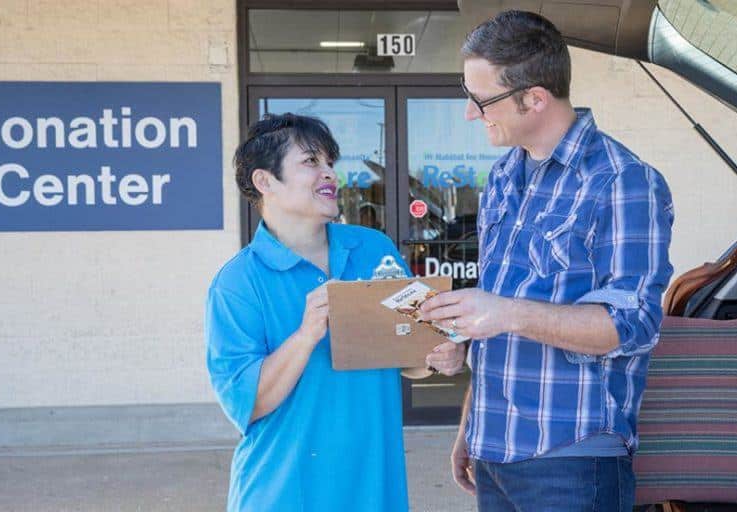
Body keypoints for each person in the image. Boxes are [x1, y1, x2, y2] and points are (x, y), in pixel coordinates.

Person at [418, 10, 674, 511]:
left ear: (534, 98)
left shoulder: (622, 181)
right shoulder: (502, 177)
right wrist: (470, 419)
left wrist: (505, 312)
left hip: (572, 458)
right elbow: (498, 320)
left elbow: (635, 325)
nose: (471, 112)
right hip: (495, 453)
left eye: (480, 98)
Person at [205, 113, 465, 511]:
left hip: (375, 488)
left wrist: (436, 356)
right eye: (311, 162)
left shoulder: (373, 250)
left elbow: (409, 355)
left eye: (330, 163)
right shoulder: (238, 283)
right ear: (264, 181)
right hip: (284, 493)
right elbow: (250, 402)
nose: (330, 174)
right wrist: (306, 334)